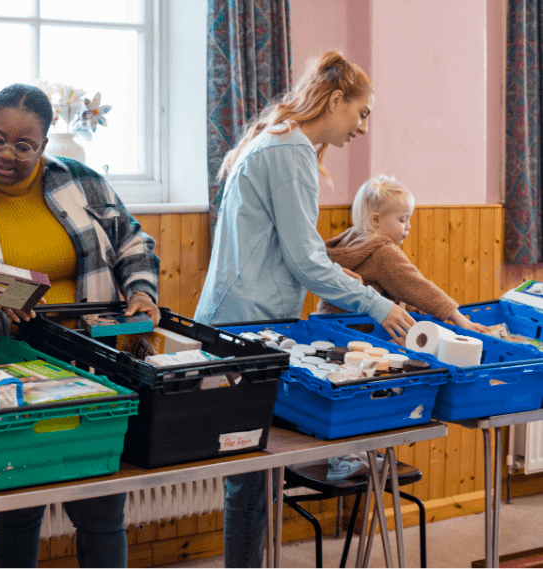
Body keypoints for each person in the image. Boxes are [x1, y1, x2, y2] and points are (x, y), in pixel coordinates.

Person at [0, 83, 160, 567]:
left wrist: (140, 290)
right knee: (18, 506)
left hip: (94, 367)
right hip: (12, 373)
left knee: (101, 509)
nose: (6, 153)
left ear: (44, 147)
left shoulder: (82, 181)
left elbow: (134, 240)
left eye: (24, 145)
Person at [193, 51, 416, 568]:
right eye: (361, 114)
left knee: (254, 475)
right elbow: (305, 259)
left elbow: (294, 251)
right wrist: (376, 302)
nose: (363, 128)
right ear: (335, 100)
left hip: (245, 318)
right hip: (245, 323)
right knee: (250, 479)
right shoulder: (289, 149)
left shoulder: (276, 139)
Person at [317, 174, 489, 335]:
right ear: (375, 220)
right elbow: (418, 286)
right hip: (362, 333)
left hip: (328, 324)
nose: (408, 227)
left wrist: (410, 306)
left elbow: (382, 287)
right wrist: (461, 321)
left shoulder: (351, 239)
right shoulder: (383, 252)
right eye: (402, 220)